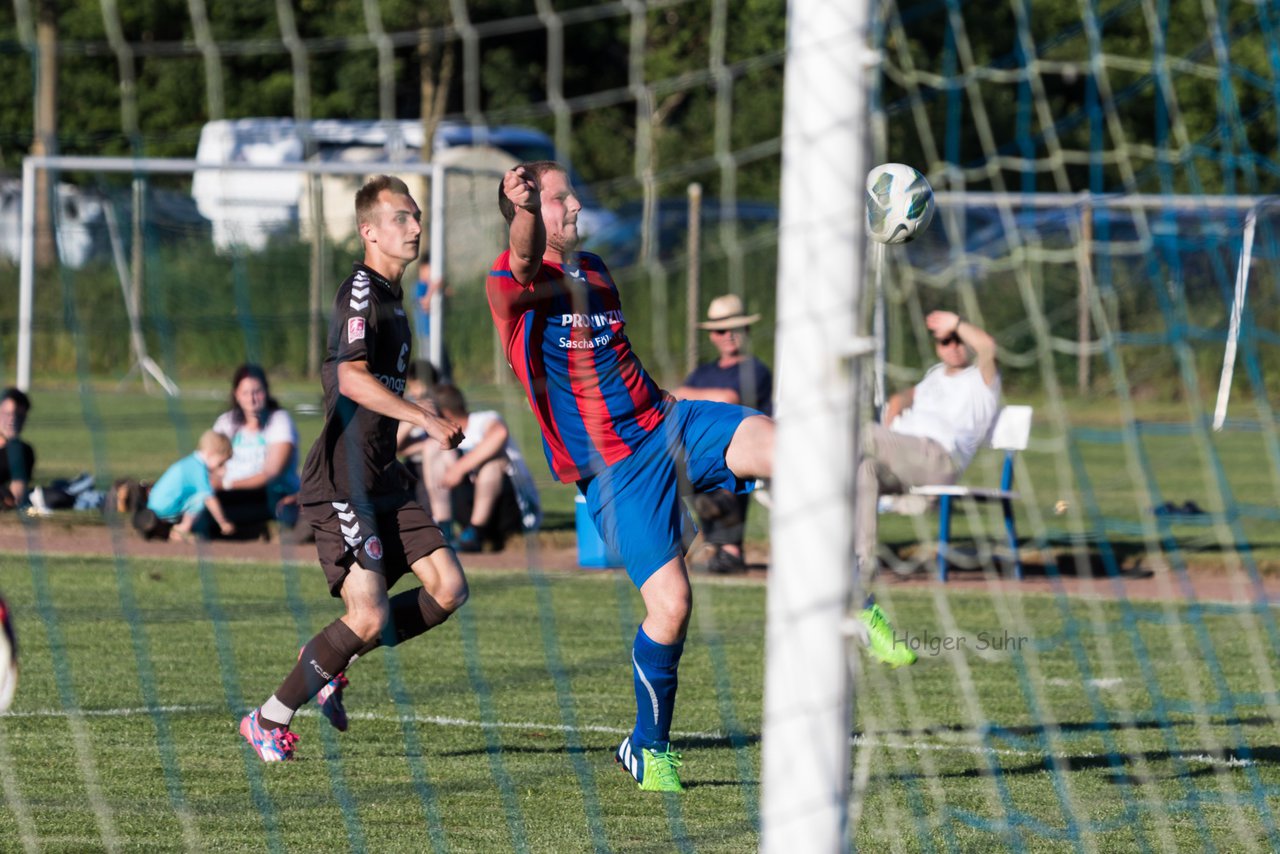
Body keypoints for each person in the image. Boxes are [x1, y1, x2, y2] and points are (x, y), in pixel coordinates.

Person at [489, 160, 838, 793]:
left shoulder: (594, 269)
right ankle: (647, 748)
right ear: (530, 211)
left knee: (795, 449)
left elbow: (619, 363)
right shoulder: (510, 283)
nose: (574, 206)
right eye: (560, 198)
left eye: (572, 194)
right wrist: (520, 216)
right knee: (672, 606)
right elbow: (520, 260)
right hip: (614, 472)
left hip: (667, 421)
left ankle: (848, 591)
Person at [240, 174, 467, 763]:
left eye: (416, 216)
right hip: (344, 480)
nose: (415, 227)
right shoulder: (362, 291)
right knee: (365, 615)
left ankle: (333, 657)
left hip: (384, 476)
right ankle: (268, 717)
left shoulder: (394, 298)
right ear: (369, 231)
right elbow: (347, 376)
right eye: (401, 218)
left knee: (448, 589)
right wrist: (423, 416)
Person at [855, 309, 1000, 664]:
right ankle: (860, 577)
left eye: (957, 340)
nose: (952, 346)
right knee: (863, 470)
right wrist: (892, 416)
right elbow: (900, 399)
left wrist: (956, 323)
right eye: (945, 340)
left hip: (938, 459)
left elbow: (988, 347)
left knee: (858, 435)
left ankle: (776, 468)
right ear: (937, 347)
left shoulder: (981, 379)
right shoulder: (935, 376)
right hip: (904, 457)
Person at [674, 294, 774, 575]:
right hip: (698, 451)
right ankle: (697, 546)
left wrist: (688, 395)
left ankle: (729, 550)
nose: (729, 335)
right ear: (712, 336)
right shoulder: (702, 374)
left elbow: (729, 397)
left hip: (744, 452)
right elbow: (677, 403)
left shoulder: (755, 370)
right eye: (721, 330)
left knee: (729, 462)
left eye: (735, 328)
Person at [422, 382, 541, 552]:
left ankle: (475, 534)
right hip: (468, 503)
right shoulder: (443, 435)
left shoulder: (485, 419)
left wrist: (460, 468)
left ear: (445, 412)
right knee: (432, 448)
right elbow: (402, 446)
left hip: (510, 510)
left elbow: (499, 434)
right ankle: (444, 528)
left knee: (493, 463)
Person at [211, 364, 302, 533]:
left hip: (271, 495)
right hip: (232, 495)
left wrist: (226, 484)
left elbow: (271, 474)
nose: (252, 398)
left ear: (266, 392)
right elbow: (209, 463)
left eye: (257, 392)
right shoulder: (226, 422)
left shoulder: (279, 420)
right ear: (236, 395)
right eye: (245, 393)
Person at [139, 430, 236, 541]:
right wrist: (223, 522)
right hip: (166, 509)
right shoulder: (198, 469)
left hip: (154, 506)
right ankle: (181, 530)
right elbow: (209, 498)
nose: (222, 467)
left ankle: (165, 528)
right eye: (221, 463)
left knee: (197, 495)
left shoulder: (190, 462)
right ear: (211, 453)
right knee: (201, 497)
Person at [412, 252, 453, 383]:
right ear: (423, 269)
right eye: (430, 269)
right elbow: (424, 304)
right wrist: (433, 288)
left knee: (445, 367)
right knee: (430, 371)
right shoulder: (420, 287)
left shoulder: (429, 287)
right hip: (426, 336)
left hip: (436, 335)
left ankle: (447, 389)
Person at [0, 388, 34, 511]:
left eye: (18, 415)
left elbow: (14, 497)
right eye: (7, 414)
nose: (12, 420)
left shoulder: (21, 451)